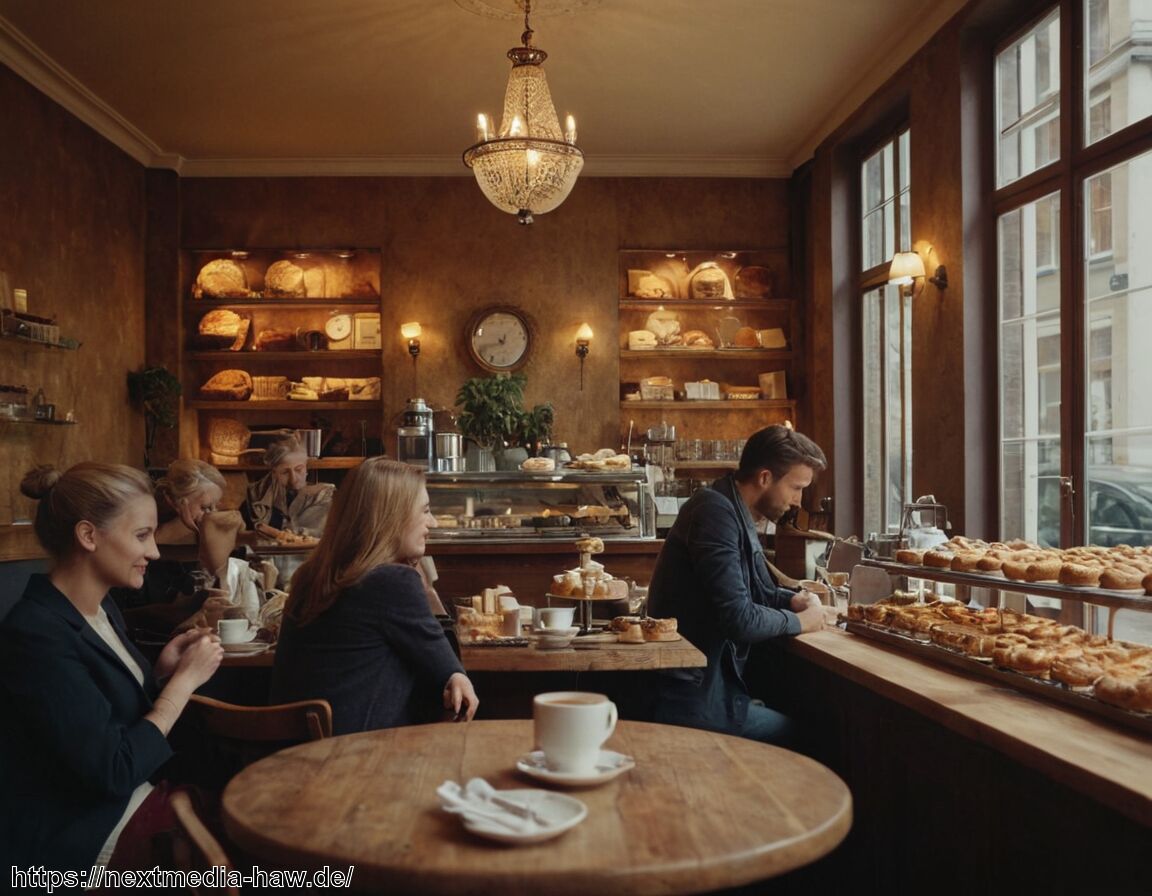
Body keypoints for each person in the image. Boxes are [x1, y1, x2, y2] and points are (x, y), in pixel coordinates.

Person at [0, 463, 223, 873]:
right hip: (80, 836)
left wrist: (160, 675)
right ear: (88, 535)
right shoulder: (35, 635)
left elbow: (101, 715)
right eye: (142, 535)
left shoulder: (101, 609)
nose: (154, 552)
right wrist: (184, 684)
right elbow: (114, 771)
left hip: (130, 799)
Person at [642, 425, 828, 746]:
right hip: (690, 700)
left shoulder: (731, 507)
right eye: (796, 488)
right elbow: (739, 618)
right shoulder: (715, 512)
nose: (797, 501)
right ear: (765, 478)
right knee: (811, 738)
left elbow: (756, 590)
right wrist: (800, 621)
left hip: (708, 688)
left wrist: (793, 600)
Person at [270, 458, 477, 734]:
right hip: (355, 761)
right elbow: (441, 661)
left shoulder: (310, 575)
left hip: (292, 759)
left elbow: (438, 659)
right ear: (392, 517)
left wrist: (451, 672)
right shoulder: (391, 581)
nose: (433, 522)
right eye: (425, 510)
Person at [242, 433, 334, 534]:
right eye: (285, 472)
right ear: (274, 473)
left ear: (306, 467)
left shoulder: (323, 495)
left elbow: (310, 536)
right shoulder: (255, 494)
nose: (293, 479)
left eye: (299, 470)